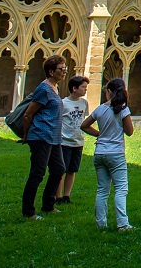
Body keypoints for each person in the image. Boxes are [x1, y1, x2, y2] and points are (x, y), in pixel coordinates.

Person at [18, 55, 68, 220]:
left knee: (59, 170)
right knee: (37, 173)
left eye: (64, 68)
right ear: (51, 71)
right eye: (61, 69)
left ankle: (48, 205)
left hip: (53, 138)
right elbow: (28, 114)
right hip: (41, 136)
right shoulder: (44, 89)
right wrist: (26, 135)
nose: (64, 71)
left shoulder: (55, 88)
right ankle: (28, 211)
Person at [82, 77, 135, 231]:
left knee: (102, 190)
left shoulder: (100, 109)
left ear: (109, 92)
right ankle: (123, 223)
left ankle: (100, 223)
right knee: (120, 189)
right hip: (116, 153)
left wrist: (100, 134)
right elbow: (130, 132)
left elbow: (84, 125)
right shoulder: (123, 109)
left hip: (99, 152)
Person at [56, 75, 90, 205]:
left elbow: (83, 120)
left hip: (78, 141)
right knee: (62, 170)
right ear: (74, 88)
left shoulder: (84, 103)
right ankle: (57, 196)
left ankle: (66, 195)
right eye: (83, 87)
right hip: (65, 141)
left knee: (72, 170)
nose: (85, 90)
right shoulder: (63, 103)